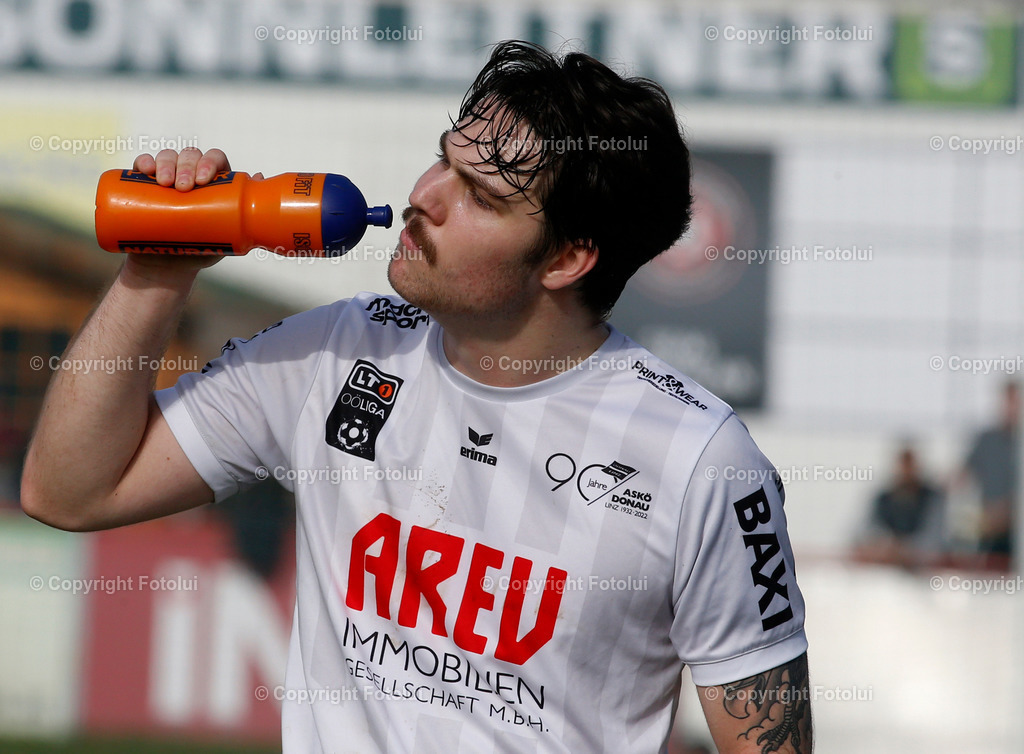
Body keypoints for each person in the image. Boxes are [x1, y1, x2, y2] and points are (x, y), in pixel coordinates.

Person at [22, 41, 811, 753]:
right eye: (443, 161)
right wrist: (160, 271)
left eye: (480, 196)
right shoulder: (332, 351)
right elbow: (70, 489)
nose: (424, 196)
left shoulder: (704, 461)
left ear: (568, 257)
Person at [954, 381, 1020, 567]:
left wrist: (1010, 512)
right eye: (1009, 401)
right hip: (989, 527)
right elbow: (961, 477)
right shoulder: (986, 439)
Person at [853, 444, 944, 569]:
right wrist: (884, 545)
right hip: (883, 570)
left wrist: (906, 550)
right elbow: (865, 530)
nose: (906, 471)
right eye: (903, 465)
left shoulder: (931, 498)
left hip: (923, 572)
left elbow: (935, 538)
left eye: (910, 465)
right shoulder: (883, 498)